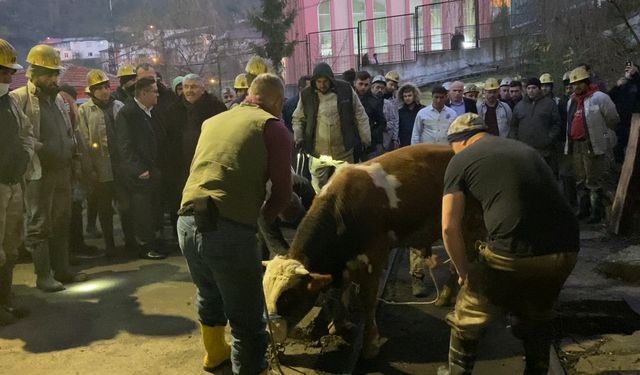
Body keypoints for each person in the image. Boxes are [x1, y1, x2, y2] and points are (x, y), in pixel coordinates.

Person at [438, 113, 580, 375]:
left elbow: (448, 227)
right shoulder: (523, 149)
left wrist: (463, 272)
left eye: (452, 147)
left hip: (511, 254)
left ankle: (456, 372)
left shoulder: (460, 159)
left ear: (460, 141)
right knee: (538, 312)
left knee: (468, 313)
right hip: (567, 248)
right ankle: (537, 370)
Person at [178, 73, 292, 375]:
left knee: (209, 292)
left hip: (186, 221)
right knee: (247, 321)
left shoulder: (213, 121)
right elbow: (283, 192)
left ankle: (214, 354)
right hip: (227, 229)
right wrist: (261, 222)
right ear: (277, 101)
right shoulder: (274, 128)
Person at [11, 44, 88, 292]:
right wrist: (40, 147)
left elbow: (69, 130)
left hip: (62, 170)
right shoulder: (20, 98)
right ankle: (43, 276)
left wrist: (73, 156)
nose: (54, 78)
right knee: (39, 224)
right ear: (33, 73)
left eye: (55, 73)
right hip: (38, 174)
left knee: (61, 221)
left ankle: (62, 270)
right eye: (48, 73)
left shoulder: (57, 99)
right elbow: (18, 135)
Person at [161, 73, 227, 237]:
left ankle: (210, 233)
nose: (189, 90)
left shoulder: (216, 108)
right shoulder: (172, 110)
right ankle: (183, 235)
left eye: (193, 87)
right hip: (180, 165)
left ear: (203, 88)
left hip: (208, 163)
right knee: (180, 200)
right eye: (186, 87)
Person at [292, 63, 370, 192]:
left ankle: (346, 209)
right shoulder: (307, 94)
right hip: (317, 152)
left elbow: (360, 114)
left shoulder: (345, 90)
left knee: (347, 184)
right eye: (319, 81)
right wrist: (298, 136)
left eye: (325, 81)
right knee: (318, 188)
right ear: (314, 82)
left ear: (331, 80)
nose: (322, 85)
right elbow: (298, 118)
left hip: (343, 150)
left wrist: (365, 137)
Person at [0, 38, 34, 323]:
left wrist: (25, 154)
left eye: (10, 72)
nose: (8, 77)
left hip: (12, 184)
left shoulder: (10, 102)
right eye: (2, 71)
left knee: (10, 246)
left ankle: (5, 300)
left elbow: (27, 133)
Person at [114, 77, 166, 260]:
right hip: (139, 176)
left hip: (152, 171)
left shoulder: (149, 112)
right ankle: (145, 246)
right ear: (143, 93)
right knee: (142, 212)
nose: (157, 94)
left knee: (152, 210)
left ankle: (153, 242)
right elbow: (124, 145)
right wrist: (138, 170)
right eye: (154, 91)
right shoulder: (128, 113)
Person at [77, 69, 125, 257]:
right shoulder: (85, 110)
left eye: (106, 87)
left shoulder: (118, 106)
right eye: (99, 88)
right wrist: (90, 169)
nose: (104, 91)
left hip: (120, 165)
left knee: (125, 205)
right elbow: (84, 139)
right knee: (105, 208)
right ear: (92, 91)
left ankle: (129, 241)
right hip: (100, 167)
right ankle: (110, 245)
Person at [566, 66, 619, 224]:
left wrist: (604, 138)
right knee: (579, 179)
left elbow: (612, 119)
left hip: (593, 144)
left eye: (580, 83)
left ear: (587, 82)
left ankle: (597, 212)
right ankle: (583, 209)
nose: (576, 87)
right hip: (576, 145)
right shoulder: (571, 101)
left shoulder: (600, 97)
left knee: (594, 180)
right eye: (574, 84)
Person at [509, 77, 562, 175]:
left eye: (533, 88)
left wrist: (549, 138)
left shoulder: (549, 104)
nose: (531, 91)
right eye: (528, 88)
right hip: (525, 151)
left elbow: (556, 123)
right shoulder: (519, 106)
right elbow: (513, 126)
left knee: (546, 177)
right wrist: (516, 142)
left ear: (539, 89)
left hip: (545, 151)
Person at [609, 61, 640, 164]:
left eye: (630, 69)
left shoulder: (637, 83)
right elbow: (609, 98)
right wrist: (616, 86)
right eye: (626, 69)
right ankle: (620, 170)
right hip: (621, 124)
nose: (628, 71)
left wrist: (636, 75)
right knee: (618, 148)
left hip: (635, 124)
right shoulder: (622, 85)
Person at [354, 70, 386, 160]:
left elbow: (382, 122)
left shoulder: (374, 102)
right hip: (352, 144)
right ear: (355, 83)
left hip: (368, 146)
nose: (363, 87)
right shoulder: (348, 99)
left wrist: (371, 135)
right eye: (360, 84)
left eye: (366, 85)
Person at [372, 75, 399, 151]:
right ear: (372, 88)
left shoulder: (389, 104)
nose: (380, 90)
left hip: (386, 140)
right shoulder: (366, 103)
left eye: (382, 88)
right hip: (371, 141)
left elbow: (394, 121)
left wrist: (395, 139)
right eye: (377, 87)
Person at [397, 83, 424, 148]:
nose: (407, 98)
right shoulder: (400, 112)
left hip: (421, 144)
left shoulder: (422, 110)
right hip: (405, 145)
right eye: (405, 96)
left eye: (409, 95)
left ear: (414, 96)